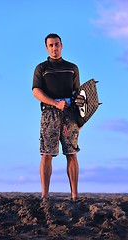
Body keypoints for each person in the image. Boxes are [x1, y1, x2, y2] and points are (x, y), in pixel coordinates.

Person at [32, 33, 81, 201]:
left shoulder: (72, 68)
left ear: (62, 45)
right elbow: (36, 91)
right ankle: (45, 195)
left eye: (57, 44)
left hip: (70, 114)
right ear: (47, 48)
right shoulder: (41, 68)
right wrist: (54, 103)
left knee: (72, 153)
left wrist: (80, 118)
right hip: (49, 114)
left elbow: (78, 94)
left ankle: (74, 195)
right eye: (51, 45)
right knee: (46, 153)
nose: (54, 48)